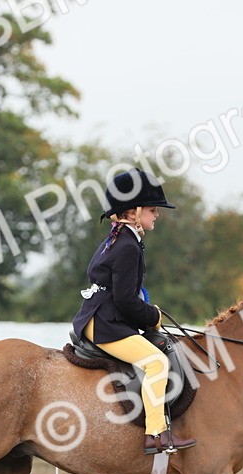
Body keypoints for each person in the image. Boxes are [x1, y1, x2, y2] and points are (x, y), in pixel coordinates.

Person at [72, 169, 196, 455]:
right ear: (134, 211)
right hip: (105, 323)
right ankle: (156, 434)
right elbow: (126, 301)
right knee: (155, 362)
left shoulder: (116, 238)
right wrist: (152, 316)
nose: (157, 215)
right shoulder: (127, 245)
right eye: (153, 210)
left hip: (96, 317)